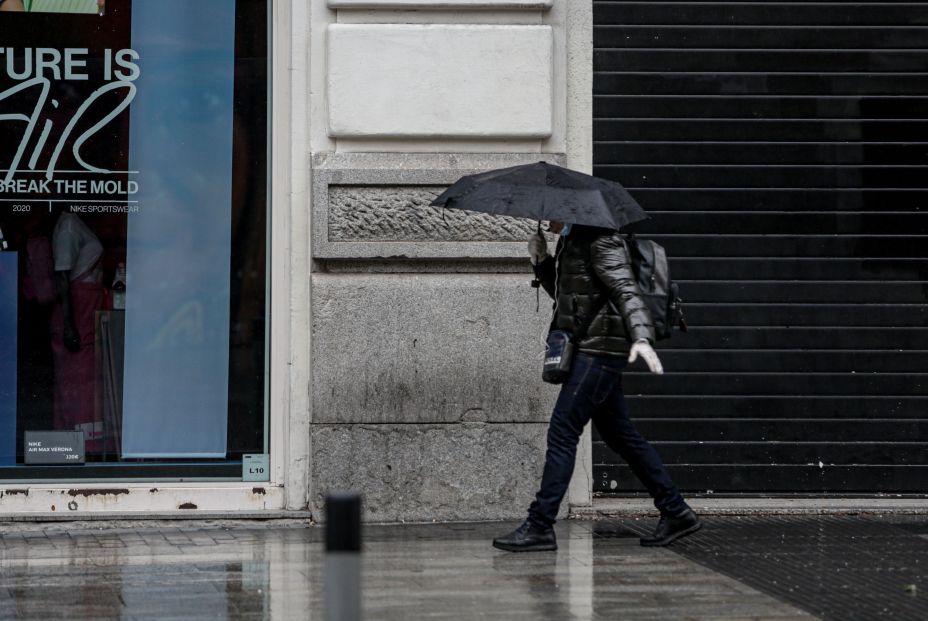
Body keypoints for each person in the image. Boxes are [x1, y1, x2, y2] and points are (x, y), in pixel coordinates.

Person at [492, 221, 701, 552]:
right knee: (622, 436)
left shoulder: (602, 242)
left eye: (554, 214)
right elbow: (574, 300)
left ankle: (539, 525)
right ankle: (676, 511)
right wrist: (542, 262)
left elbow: (626, 290)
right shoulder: (573, 240)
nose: (547, 221)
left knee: (563, 431)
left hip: (600, 352)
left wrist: (642, 336)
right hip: (594, 347)